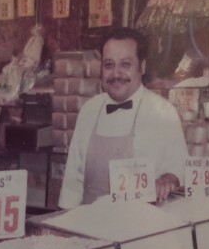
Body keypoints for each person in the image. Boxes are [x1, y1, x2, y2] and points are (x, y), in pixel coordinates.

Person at [59, 27, 188, 208]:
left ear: (141, 67)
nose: (116, 74)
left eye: (125, 64)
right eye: (109, 65)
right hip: (89, 227)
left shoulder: (162, 112)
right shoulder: (89, 110)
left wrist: (167, 179)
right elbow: (73, 183)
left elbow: (178, 168)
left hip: (141, 230)